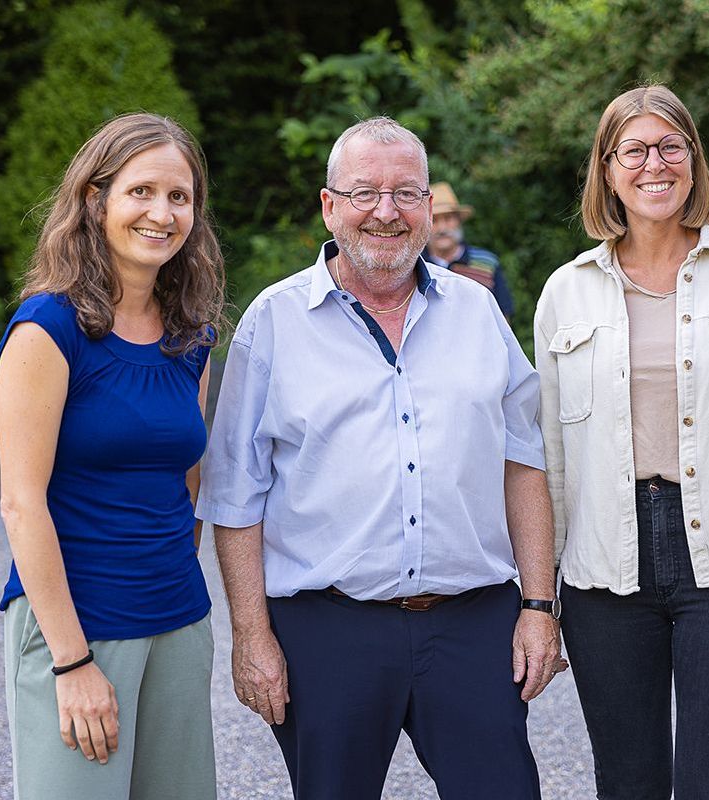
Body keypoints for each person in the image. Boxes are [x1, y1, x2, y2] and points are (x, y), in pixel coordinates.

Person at [196, 116, 562, 800]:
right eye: (365, 193)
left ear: (429, 206)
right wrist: (252, 635)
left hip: (471, 621)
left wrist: (540, 605)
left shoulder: (478, 312)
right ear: (329, 206)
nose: (386, 212)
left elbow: (523, 463)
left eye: (406, 194)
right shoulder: (272, 324)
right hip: (327, 628)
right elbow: (236, 495)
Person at [535, 85, 709, 800]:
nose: (653, 164)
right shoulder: (565, 292)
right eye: (633, 150)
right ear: (607, 170)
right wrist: (539, 598)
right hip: (604, 567)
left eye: (670, 147)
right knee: (626, 783)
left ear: (693, 161)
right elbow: (549, 461)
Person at [0, 113, 225, 799]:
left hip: (179, 620)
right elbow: (20, 504)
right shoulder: (48, 328)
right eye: (141, 191)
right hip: (77, 627)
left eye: (179, 197)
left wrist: (170, 579)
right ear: (95, 201)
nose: (162, 213)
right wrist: (72, 663)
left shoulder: (191, 336)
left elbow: (188, 482)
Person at [422, 181, 515, 319]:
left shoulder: (487, 263)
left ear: (459, 221)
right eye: (434, 220)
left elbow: (503, 316)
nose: (442, 228)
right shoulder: (415, 266)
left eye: (448, 219)